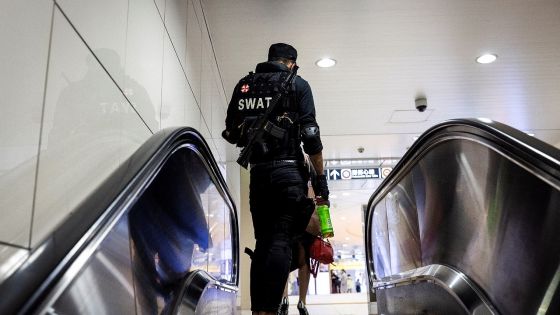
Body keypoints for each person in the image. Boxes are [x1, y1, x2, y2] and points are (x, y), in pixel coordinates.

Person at [222, 43, 329, 315]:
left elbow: (231, 131)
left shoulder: (245, 85)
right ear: (291, 63)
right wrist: (319, 179)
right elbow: (311, 137)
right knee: (280, 240)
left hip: (258, 175)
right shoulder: (298, 85)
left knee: (264, 243)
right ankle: (269, 310)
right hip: (288, 173)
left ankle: (260, 310)